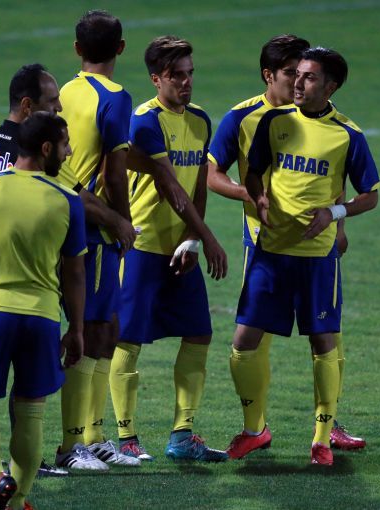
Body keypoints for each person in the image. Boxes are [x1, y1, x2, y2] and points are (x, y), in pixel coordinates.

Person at [207, 35, 366, 458]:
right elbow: (212, 173)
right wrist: (252, 196)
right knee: (255, 335)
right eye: (292, 73)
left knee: (327, 332)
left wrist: (338, 221)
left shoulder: (332, 122)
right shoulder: (245, 117)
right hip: (263, 239)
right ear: (269, 75)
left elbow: (333, 174)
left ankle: (328, 424)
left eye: (305, 74)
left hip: (317, 241)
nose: (298, 81)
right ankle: (255, 425)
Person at [0, 111, 87, 510]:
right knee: (31, 412)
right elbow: (75, 274)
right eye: (64, 145)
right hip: (42, 319)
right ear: (45, 149)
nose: (69, 151)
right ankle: (17, 501)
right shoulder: (68, 201)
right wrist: (77, 328)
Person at [108, 35, 229, 464]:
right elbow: (170, 188)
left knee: (199, 333)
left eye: (190, 73)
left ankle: (182, 434)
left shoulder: (200, 120)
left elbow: (197, 188)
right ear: (156, 79)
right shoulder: (145, 121)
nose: (186, 82)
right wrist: (209, 237)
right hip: (142, 245)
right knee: (128, 339)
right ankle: (126, 437)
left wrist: (193, 238)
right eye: (176, 75)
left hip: (180, 246)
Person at [54, 9, 140, 471]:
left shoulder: (62, 92)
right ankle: (73, 445)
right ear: (121, 48)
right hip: (94, 229)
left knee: (105, 327)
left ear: (77, 49)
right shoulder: (116, 98)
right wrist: (122, 223)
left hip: (66, 218)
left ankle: (94, 435)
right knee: (90, 330)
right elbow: (114, 172)